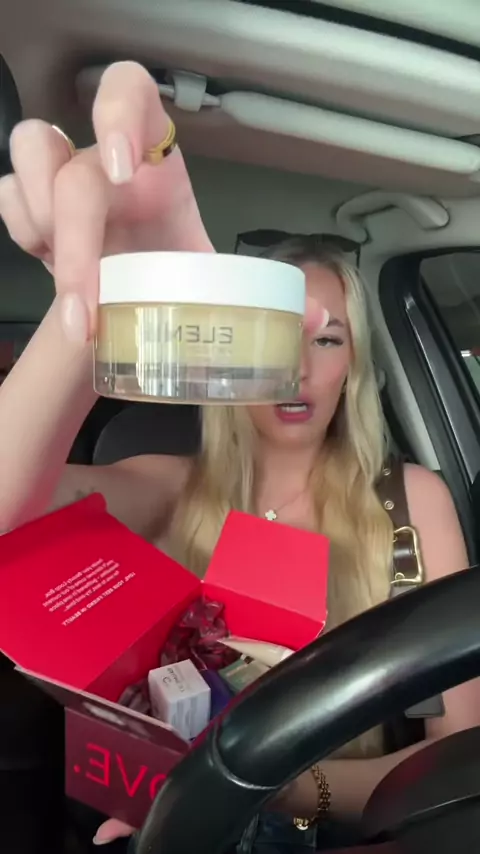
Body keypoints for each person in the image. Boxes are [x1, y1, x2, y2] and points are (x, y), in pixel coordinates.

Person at [0, 61, 478, 852]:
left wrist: (261, 782)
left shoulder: (408, 500)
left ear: (354, 367)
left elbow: (459, 758)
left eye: (327, 340)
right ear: (227, 353)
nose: (298, 370)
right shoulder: (170, 486)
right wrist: (86, 318)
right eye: (275, 339)